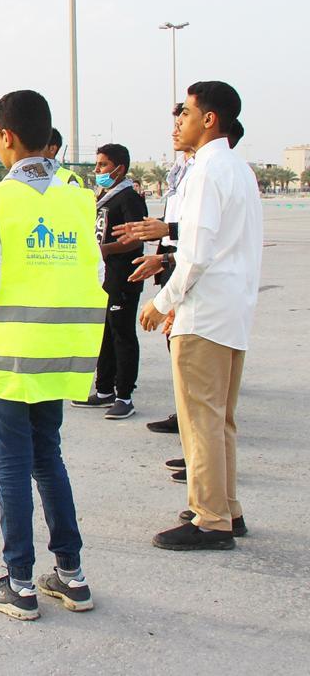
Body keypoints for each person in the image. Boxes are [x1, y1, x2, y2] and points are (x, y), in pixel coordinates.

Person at [0, 90, 105, 621]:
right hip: (61, 353)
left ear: (5, 136)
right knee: (48, 457)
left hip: (8, 355)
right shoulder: (79, 198)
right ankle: (72, 577)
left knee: (11, 464)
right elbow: (96, 272)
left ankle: (20, 582)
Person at [138, 81, 261, 551]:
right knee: (219, 418)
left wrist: (162, 303)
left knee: (200, 421)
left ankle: (210, 520)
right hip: (231, 311)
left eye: (185, 113)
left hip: (205, 314)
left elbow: (195, 254)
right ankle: (227, 508)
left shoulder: (207, 171)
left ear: (209, 119)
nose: (179, 122)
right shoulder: (238, 169)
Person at [72, 143, 148, 419]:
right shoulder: (104, 197)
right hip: (103, 276)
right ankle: (104, 389)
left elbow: (136, 238)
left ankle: (125, 395)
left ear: (120, 168)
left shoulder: (129, 198)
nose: (98, 170)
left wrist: (106, 249)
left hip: (124, 276)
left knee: (122, 334)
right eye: (97, 164)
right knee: (104, 332)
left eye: (103, 165)